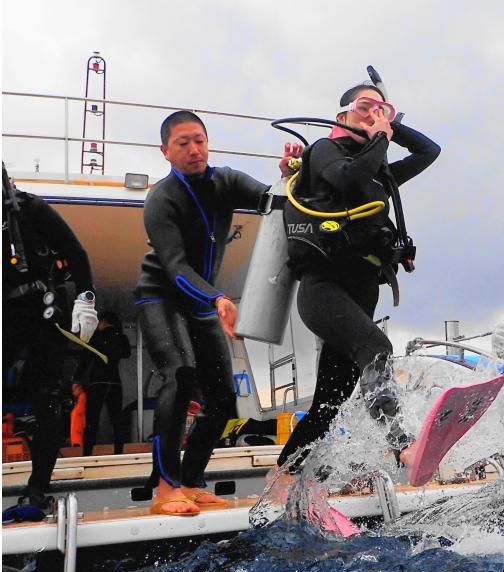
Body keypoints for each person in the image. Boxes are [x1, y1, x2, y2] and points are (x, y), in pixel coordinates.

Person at [275, 80, 440, 478]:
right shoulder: (323, 151)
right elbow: (347, 178)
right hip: (323, 288)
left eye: (382, 109)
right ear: (342, 116)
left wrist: (389, 128)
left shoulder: (379, 171)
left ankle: (283, 477)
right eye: (365, 106)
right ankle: (403, 447)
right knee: (376, 347)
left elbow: (429, 151)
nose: (373, 114)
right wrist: (380, 138)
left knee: (330, 401)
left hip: (363, 289)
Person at [135, 111, 296, 516]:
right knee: (179, 375)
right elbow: (174, 267)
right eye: (183, 143)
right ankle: (165, 488)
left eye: (199, 140)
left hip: (203, 301)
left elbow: (274, 203)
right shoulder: (161, 199)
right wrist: (218, 300)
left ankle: (191, 481)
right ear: (165, 152)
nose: (194, 149)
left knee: (223, 399)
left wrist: (287, 174)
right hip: (161, 295)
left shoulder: (225, 181)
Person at [2, 162, 98, 522]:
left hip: (42, 309)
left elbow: (76, 253)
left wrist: (86, 299)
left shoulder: (29, 208)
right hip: (4, 315)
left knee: (47, 395)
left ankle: (38, 487)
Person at [74, 310, 131, 456]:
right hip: (114, 382)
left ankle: (87, 454)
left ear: (104, 321)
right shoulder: (121, 337)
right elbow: (127, 353)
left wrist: (77, 378)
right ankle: (118, 453)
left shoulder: (97, 337)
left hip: (98, 382)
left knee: (92, 420)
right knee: (116, 420)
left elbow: (85, 359)